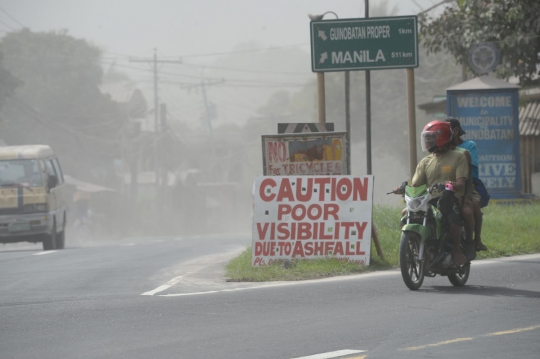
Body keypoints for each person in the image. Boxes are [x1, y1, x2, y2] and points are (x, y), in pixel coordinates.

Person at [394, 120, 470, 265]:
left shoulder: (458, 157)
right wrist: (404, 188)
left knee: (452, 219)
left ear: (441, 138)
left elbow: (461, 183)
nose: (428, 142)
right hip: (428, 199)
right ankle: (414, 244)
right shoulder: (425, 162)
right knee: (405, 213)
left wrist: (452, 185)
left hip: (449, 198)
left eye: (431, 138)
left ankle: (456, 251)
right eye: (427, 138)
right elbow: (416, 185)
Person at [446, 117, 488, 251]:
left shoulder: (468, 146)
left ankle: (477, 240)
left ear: (456, 130)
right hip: (448, 182)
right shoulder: (443, 148)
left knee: (474, 205)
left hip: (469, 182)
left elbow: (470, 165)